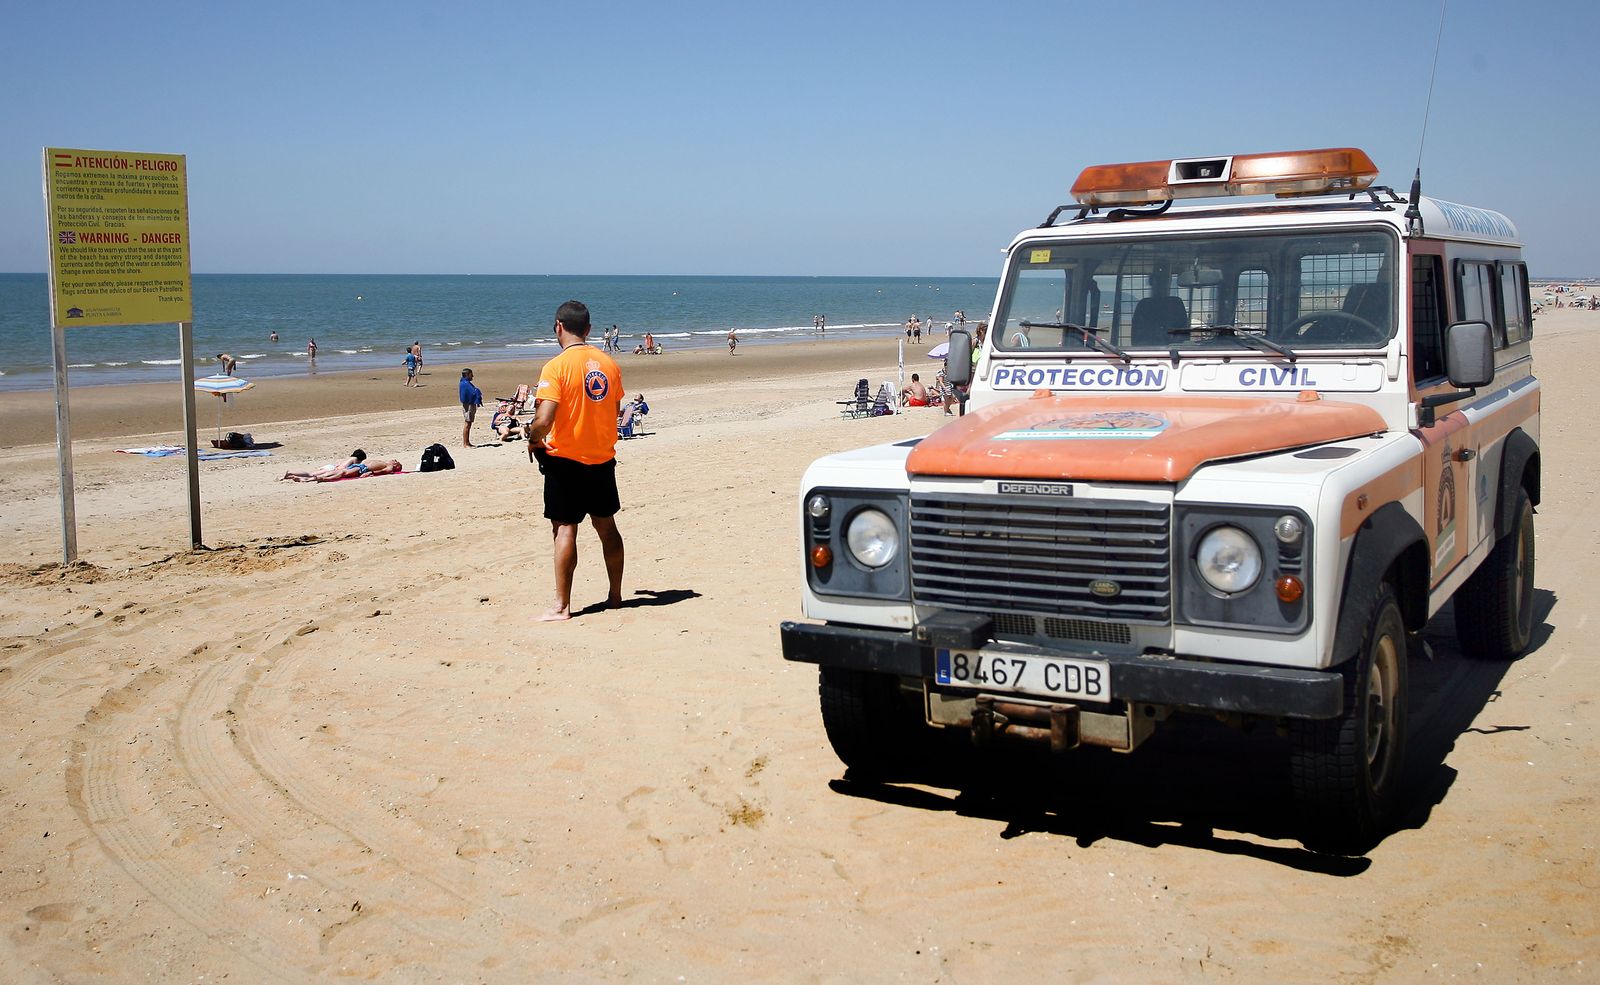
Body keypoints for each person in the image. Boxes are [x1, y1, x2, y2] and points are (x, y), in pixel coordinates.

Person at [527, 300, 625, 622]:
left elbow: (545, 418)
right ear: (588, 329)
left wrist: (533, 437)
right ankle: (615, 596)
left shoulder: (555, 367)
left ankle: (561, 606)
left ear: (558, 326)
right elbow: (613, 412)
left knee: (565, 529)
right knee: (607, 528)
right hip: (601, 458)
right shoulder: (608, 363)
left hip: (566, 461)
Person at [459, 367, 483, 448]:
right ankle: (465, 443)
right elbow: (472, 392)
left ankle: (467, 442)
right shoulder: (465, 383)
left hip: (469, 404)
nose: (472, 376)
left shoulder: (465, 382)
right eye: (471, 374)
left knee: (468, 423)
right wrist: (477, 391)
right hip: (468, 405)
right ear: (467, 375)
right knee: (467, 423)